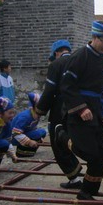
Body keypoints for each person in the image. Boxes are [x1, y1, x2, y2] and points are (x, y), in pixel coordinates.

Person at [60, 21, 103, 200]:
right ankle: (62, 137)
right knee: (89, 152)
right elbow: (67, 86)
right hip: (79, 110)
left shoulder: (101, 58)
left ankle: (88, 191)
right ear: (94, 37)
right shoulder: (80, 56)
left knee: (102, 153)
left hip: (94, 108)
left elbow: (99, 88)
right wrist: (81, 108)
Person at [36, 39, 83, 189]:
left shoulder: (56, 65)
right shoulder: (80, 61)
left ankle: (74, 177)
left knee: (58, 141)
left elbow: (49, 90)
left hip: (60, 108)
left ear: (56, 53)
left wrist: (40, 110)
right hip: (81, 106)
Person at [11, 92, 47, 158]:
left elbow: (32, 128)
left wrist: (39, 138)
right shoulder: (25, 116)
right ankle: (22, 152)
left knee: (42, 132)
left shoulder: (36, 115)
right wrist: (29, 141)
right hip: (14, 137)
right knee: (37, 134)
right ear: (35, 106)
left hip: (25, 133)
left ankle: (29, 151)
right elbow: (15, 133)